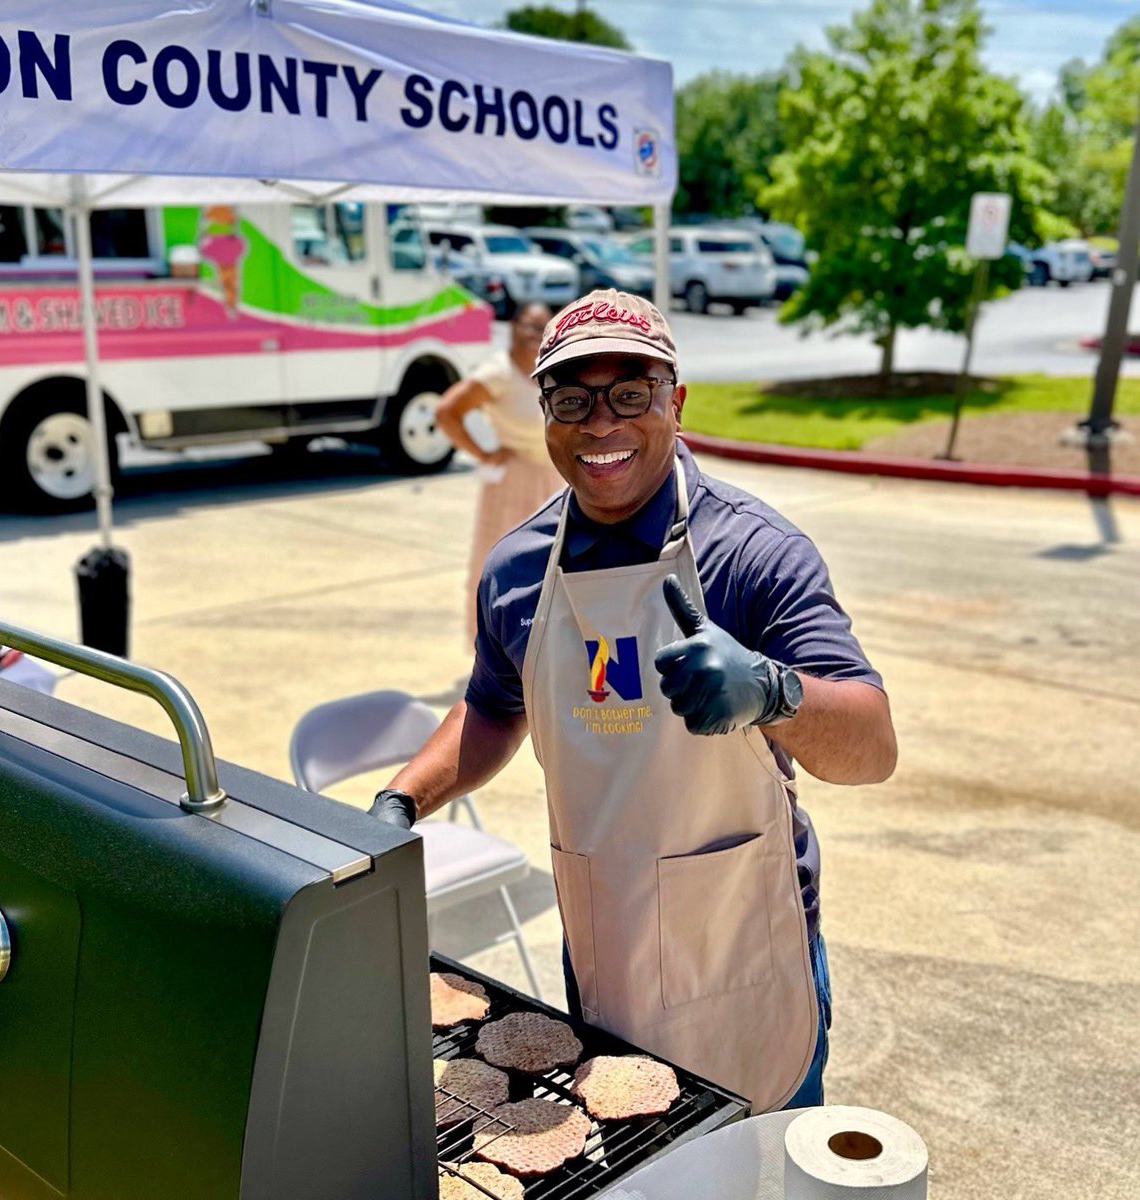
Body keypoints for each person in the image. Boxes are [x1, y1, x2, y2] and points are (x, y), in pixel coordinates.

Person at [373, 289, 896, 1112]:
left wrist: (772, 690)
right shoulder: (516, 570)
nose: (601, 423)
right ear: (545, 411)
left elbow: (873, 748)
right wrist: (400, 800)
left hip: (741, 944)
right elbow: (491, 707)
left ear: (675, 402)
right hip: (602, 944)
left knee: (764, 1172)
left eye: (630, 393)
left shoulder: (753, 554)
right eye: (572, 398)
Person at [435, 304, 564, 644]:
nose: (536, 335)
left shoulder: (550, 370)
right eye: (530, 326)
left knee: (552, 568)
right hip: (514, 480)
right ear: (513, 327)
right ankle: (495, 653)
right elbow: (447, 411)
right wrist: (484, 453)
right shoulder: (499, 372)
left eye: (543, 328)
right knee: (503, 568)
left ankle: (543, 649)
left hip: (554, 479)